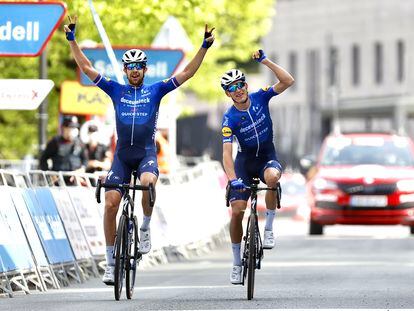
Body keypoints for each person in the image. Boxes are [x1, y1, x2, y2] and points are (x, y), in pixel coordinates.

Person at [64, 15, 215, 285]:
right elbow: (86, 68)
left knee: (147, 183)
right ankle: (110, 264)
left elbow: (188, 73)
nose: (134, 70)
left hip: (145, 154)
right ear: (125, 70)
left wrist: (203, 46)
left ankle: (145, 227)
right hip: (122, 157)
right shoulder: (115, 90)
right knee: (110, 204)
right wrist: (73, 40)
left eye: (139, 66)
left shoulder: (156, 91)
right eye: (130, 66)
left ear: (145, 70)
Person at [220, 50, 294, 284]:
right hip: (245, 162)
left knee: (272, 178)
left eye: (240, 84)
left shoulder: (261, 97)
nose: (238, 90)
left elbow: (288, 81)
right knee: (238, 211)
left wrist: (265, 61)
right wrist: (233, 180)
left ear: (246, 85)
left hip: (267, 157)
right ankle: (235, 262)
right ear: (227, 93)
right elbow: (226, 153)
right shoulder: (229, 118)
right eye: (232, 88)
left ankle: (269, 228)